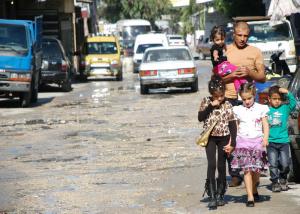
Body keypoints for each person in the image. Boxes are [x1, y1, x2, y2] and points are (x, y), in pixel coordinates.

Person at [223, 21, 266, 187]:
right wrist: (232, 75)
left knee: (252, 134)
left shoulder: (255, 51)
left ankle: (255, 167)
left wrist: (250, 72)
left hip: (248, 99)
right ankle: (234, 173)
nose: (242, 38)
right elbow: (217, 78)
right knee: (231, 136)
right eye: (239, 35)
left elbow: (262, 76)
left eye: (245, 36)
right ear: (233, 34)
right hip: (230, 97)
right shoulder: (226, 51)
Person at [198, 75, 237, 210]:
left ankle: (220, 194)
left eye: (221, 95)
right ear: (211, 94)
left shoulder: (227, 104)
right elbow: (200, 117)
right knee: (211, 164)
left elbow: (232, 125)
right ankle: (212, 195)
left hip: (224, 138)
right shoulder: (205, 101)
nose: (219, 98)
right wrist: (210, 106)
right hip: (210, 138)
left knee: (221, 166)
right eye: (216, 96)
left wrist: (233, 143)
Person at [231, 82, 269, 207]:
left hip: (258, 141)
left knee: (257, 171)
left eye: (249, 98)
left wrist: (265, 138)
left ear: (254, 95)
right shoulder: (237, 110)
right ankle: (250, 196)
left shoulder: (261, 108)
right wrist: (233, 141)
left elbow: (265, 125)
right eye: (244, 99)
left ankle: (254, 187)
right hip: (243, 141)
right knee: (247, 170)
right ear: (240, 98)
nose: (247, 101)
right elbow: (235, 127)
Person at [267, 86, 296, 192]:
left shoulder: (284, 108)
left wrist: (288, 92)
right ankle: (275, 182)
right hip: (271, 142)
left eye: (279, 99)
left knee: (285, 164)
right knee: (273, 164)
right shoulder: (266, 110)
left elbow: (293, 104)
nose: (277, 101)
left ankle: (283, 179)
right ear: (269, 99)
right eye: (274, 99)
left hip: (284, 141)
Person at [210, 26, 246, 91]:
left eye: (222, 39)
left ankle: (239, 89)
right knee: (236, 69)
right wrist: (215, 56)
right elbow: (215, 52)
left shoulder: (223, 46)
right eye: (217, 40)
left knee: (236, 76)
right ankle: (244, 83)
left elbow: (226, 48)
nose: (220, 41)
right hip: (219, 68)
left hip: (222, 67)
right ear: (213, 40)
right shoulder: (215, 46)